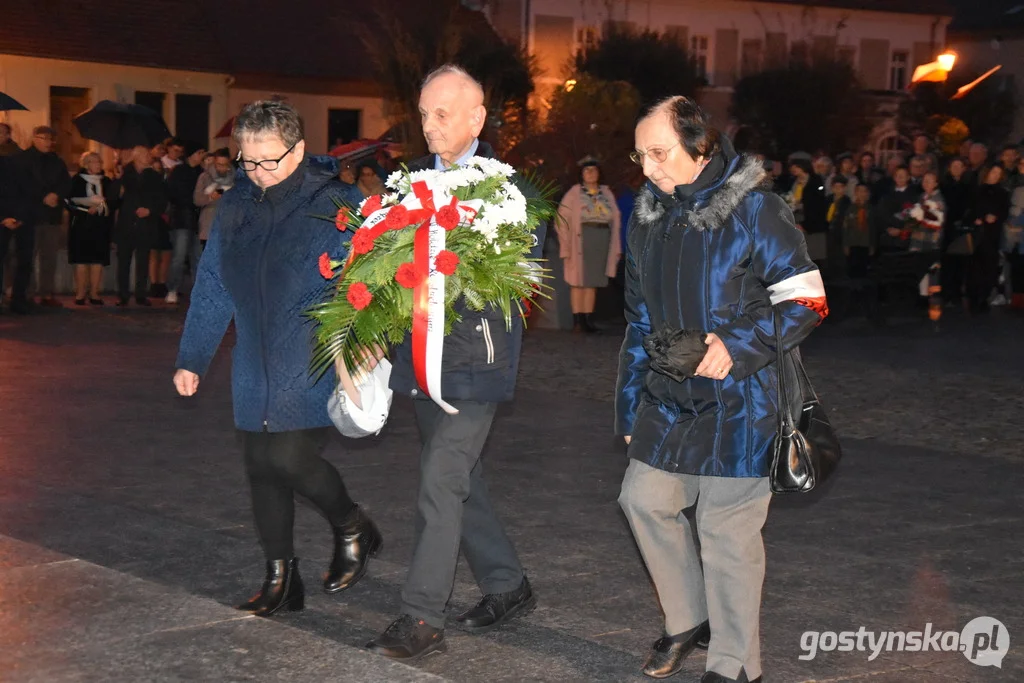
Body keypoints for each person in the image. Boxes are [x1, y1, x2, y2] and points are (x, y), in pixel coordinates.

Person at [617, 96, 827, 683]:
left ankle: (735, 665)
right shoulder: (647, 217)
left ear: (700, 146)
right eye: (640, 155)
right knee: (643, 500)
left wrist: (735, 345)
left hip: (745, 399)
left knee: (725, 531)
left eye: (659, 153)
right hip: (667, 396)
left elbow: (808, 300)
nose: (648, 168)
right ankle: (688, 621)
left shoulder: (757, 209)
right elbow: (637, 320)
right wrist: (628, 402)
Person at [173, 100, 382, 617]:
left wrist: (361, 344)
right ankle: (281, 579)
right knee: (260, 467)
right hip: (253, 359)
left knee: (288, 458)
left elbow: (369, 278)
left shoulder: (334, 202)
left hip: (311, 355)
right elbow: (213, 285)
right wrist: (193, 357)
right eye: (249, 161)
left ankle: (352, 523)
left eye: (271, 160)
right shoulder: (236, 207)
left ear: (299, 149)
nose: (259, 172)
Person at [365, 64, 542, 662]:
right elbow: (382, 263)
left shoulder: (507, 191)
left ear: (477, 118)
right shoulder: (406, 182)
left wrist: (453, 255)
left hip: (477, 366)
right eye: (423, 114)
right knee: (461, 482)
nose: (430, 125)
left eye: (442, 113)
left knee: (441, 478)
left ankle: (421, 614)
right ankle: (506, 584)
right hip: (420, 361)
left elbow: (521, 275)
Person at [556, 157, 622, 333]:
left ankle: (589, 318)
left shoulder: (606, 193)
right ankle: (579, 319)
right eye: (587, 170)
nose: (591, 173)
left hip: (601, 239)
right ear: (581, 174)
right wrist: (566, 241)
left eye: (594, 170)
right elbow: (561, 218)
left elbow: (615, 216)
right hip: (581, 238)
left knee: (592, 280)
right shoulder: (575, 193)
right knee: (578, 281)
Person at [19, 125, 70, 307]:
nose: (49, 142)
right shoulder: (23, 159)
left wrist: (56, 194)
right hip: (31, 215)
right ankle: (27, 292)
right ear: (35, 138)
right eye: (45, 138)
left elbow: (66, 182)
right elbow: (23, 183)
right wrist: (43, 196)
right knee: (28, 256)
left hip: (52, 215)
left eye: (51, 139)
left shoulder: (57, 161)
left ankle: (47, 293)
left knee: (50, 256)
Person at [115, 146, 166, 306]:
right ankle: (123, 295)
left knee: (143, 259)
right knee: (123, 260)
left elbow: (162, 199)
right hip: (127, 222)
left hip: (145, 223)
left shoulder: (154, 176)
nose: (147, 156)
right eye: (143, 153)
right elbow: (113, 198)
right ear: (135, 156)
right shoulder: (124, 173)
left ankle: (141, 294)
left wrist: (150, 210)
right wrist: (117, 181)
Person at [66, 152, 117, 305]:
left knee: (97, 260)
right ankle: (80, 293)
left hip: (100, 226)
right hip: (80, 225)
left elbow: (114, 201)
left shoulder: (107, 182)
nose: (97, 165)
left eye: (99, 162)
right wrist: (85, 206)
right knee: (81, 260)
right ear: (86, 164)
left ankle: (95, 293)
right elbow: (69, 201)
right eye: (94, 162)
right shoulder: (77, 181)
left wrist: (102, 205)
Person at [165, 142, 207, 304]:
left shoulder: (201, 172)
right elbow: (175, 194)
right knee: (179, 256)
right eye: (199, 154)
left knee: (197, 257)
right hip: (181, 220)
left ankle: (198, 291)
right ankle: (172, 288)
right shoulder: (180, 171)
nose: (201, 157)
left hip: (197, 221)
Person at [193, 147, 235, 250]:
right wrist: (210, 197)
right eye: (218, 164)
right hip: (209, 225)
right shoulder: (204, 177)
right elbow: (197, 200)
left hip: (229, 225)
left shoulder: (235, 178)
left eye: (225, 165)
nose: (221, 168)